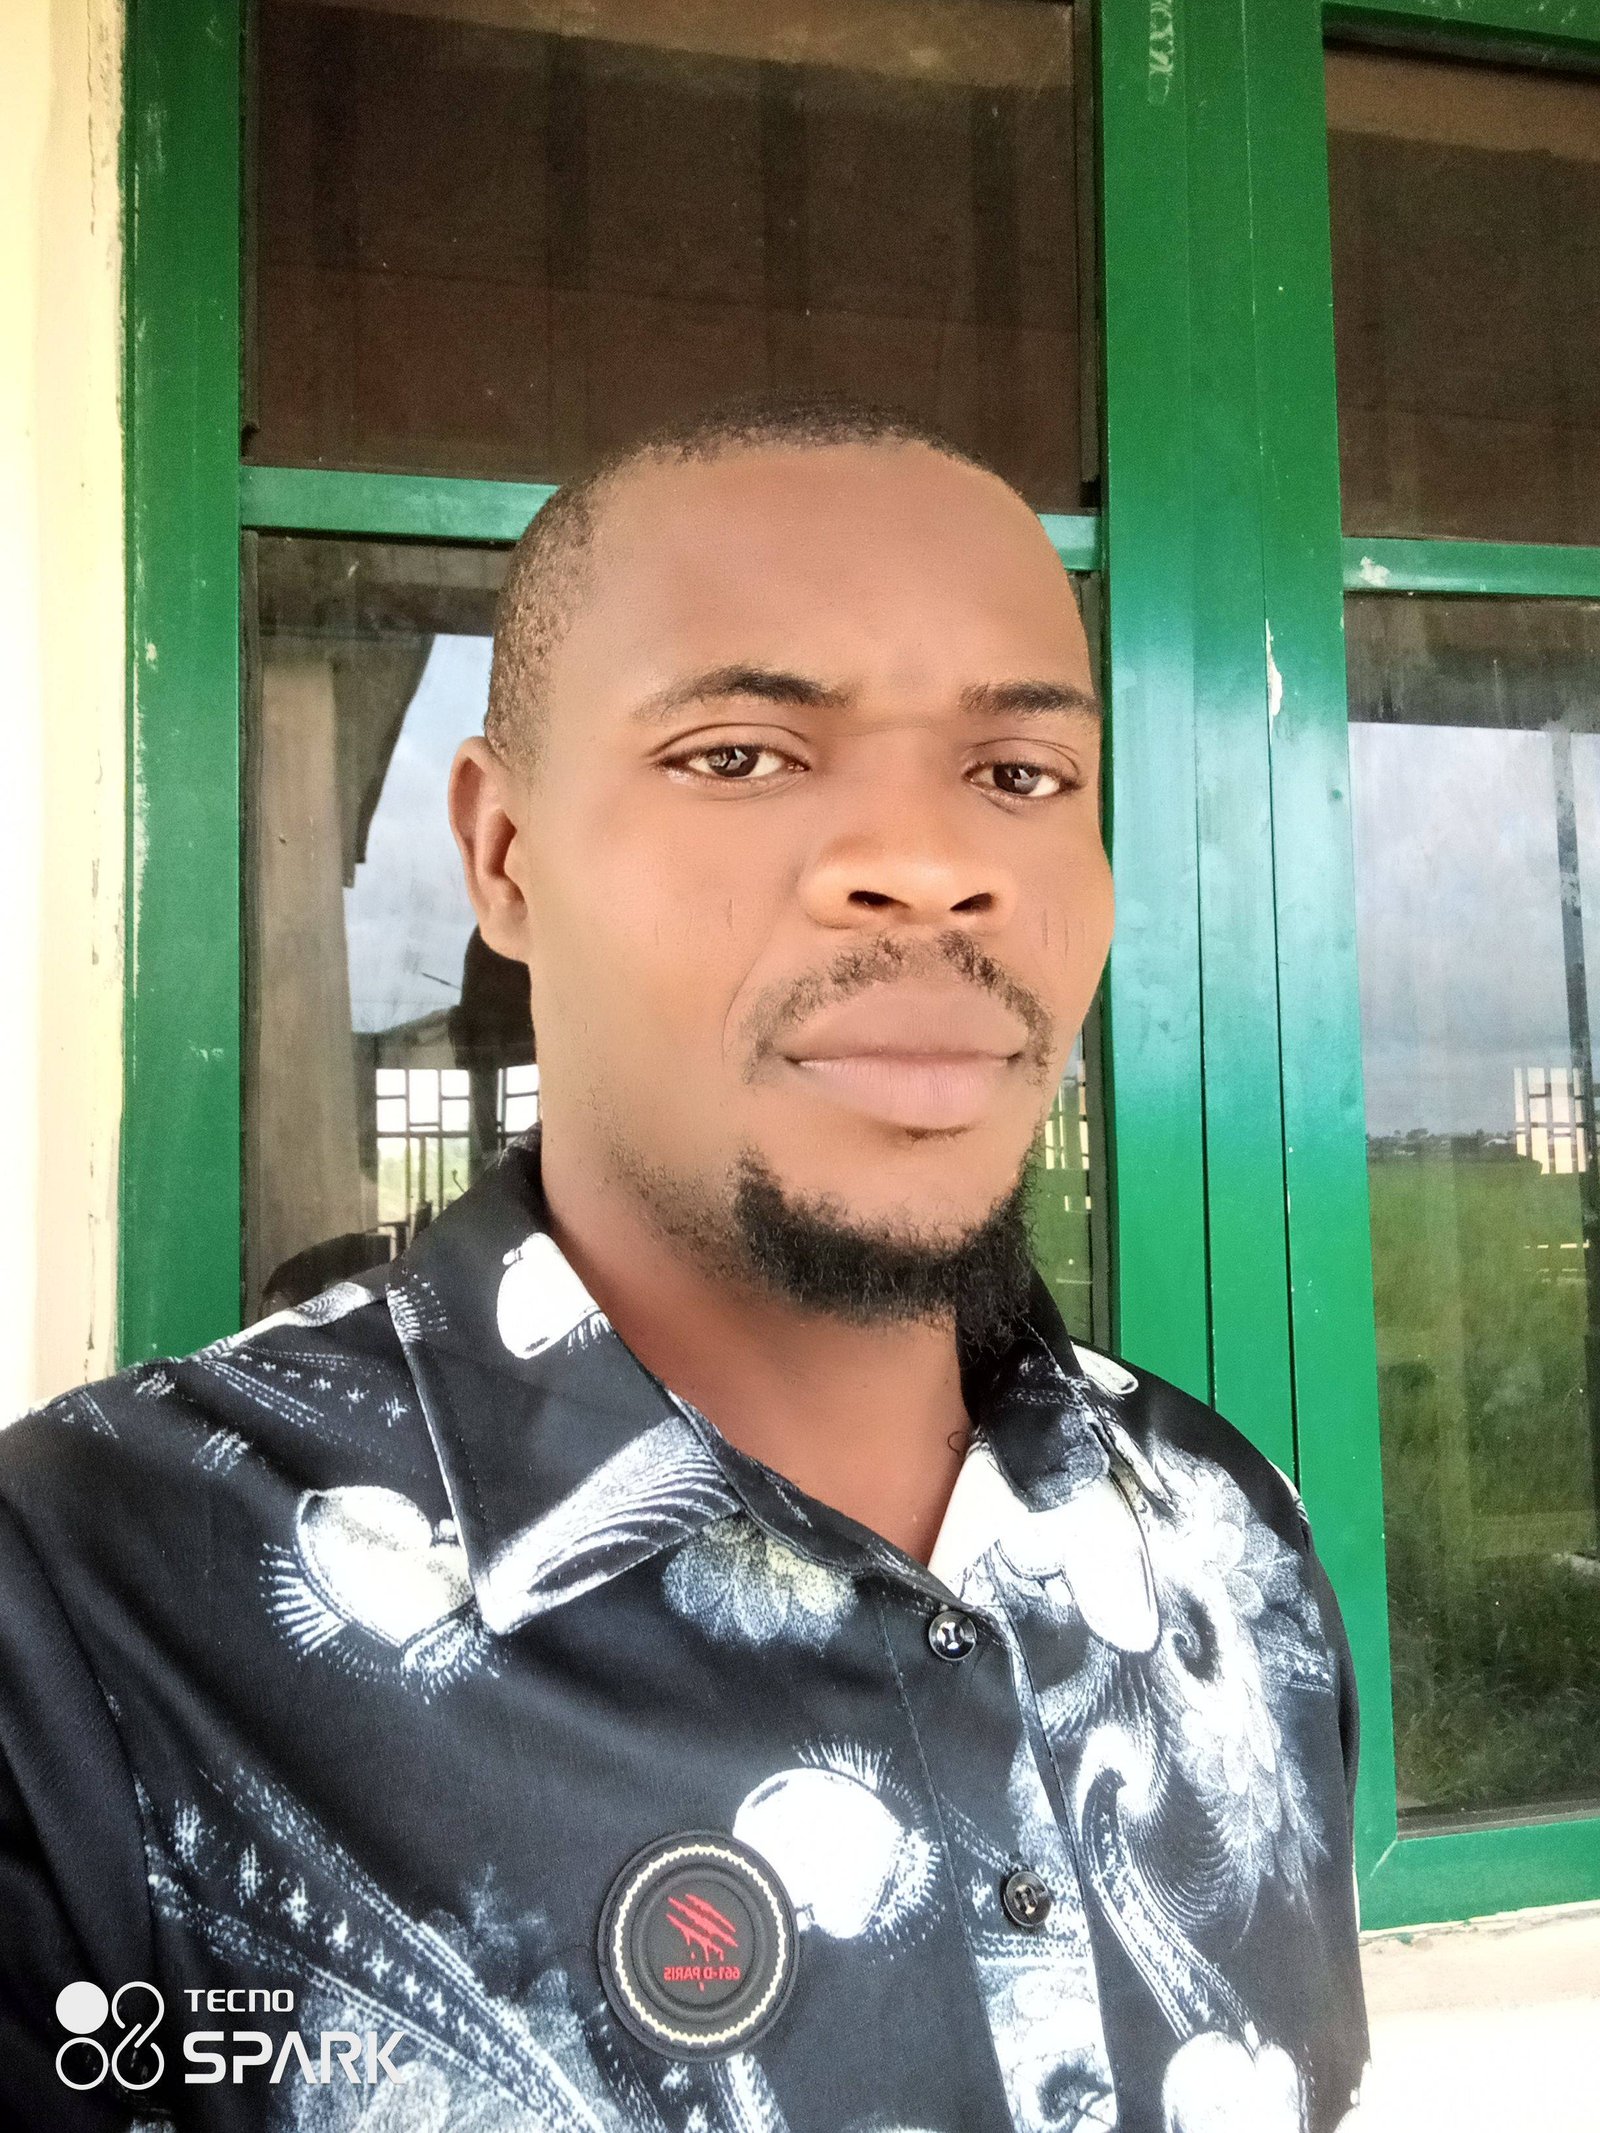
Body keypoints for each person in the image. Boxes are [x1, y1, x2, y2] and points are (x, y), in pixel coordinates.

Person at [0, 397, 1369, 2132]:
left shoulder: (1226, 1535)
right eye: (740, 755)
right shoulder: (85, 1610)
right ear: (503, 853)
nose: (932, 867)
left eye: (1021, 775)